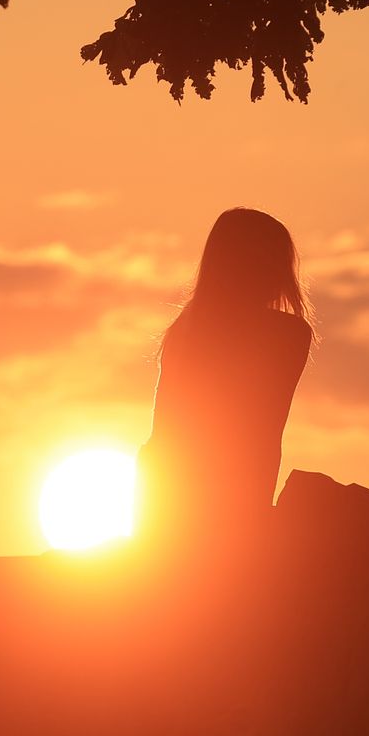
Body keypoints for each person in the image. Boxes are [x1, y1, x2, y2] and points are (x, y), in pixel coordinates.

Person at [139, 208, 313, 537]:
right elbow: (265, 434)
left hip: (163, 493)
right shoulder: (287, 334)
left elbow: (167, 431)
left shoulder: (184, 329)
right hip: (222, 499)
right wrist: (255, 513)